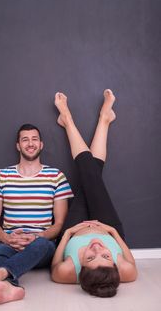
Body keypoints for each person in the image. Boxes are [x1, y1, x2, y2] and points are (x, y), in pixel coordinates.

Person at [51, 90, 137, 297]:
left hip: (75, 228)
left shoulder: (66, 273)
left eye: (90, 257)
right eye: (106, 256)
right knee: (92, 176)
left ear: (81, 270)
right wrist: (111, 232)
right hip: (107, 226)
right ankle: (80, 120)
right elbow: (130, 259)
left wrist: (69, 233)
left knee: (90, 176)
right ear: (114, 266)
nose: (97, 247)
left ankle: (87, 120)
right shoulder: (127, 272)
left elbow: (54, 265)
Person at [0, 123, 74, 304]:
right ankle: (9, 287)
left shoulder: (56, 176)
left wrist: (37, 236)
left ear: (41, 144)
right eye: (25, 139)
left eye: (34, 139)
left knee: (42, 245)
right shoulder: (1, 176)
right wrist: (7, 239)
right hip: (10, 242)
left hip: (42, 246)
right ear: (18, 146)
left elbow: (59, 224)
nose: (30, 143)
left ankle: (2, 275)